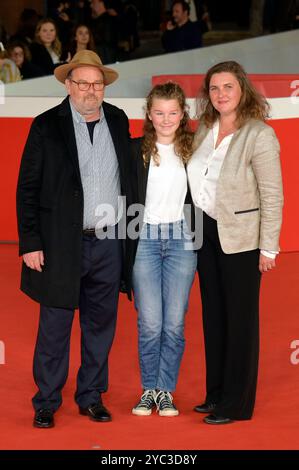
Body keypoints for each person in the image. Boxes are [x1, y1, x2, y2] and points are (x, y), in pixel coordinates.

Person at [16, 50, 131, 428]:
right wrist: (31, 242)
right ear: (68, 85)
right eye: (82, 83)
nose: (90, 90)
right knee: (55, 325)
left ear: (104, 86)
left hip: (109, 242)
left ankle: (91, 396)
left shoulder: (117, 120)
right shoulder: (46, 125)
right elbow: (27, 188)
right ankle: (46, 400)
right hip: (61, 244)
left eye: (96, 83)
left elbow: (129, 181)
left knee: (101, 325)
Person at [187, 61, 284, 424]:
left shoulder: (258, 134)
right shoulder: (203, 129)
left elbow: (273, 194)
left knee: (240, 320)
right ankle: (216, 394)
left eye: (227, 87)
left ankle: (236, 405)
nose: (220, 94)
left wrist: (268, 247)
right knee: (213, 317)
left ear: (241, 89)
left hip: (242, 239)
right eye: (214, 88)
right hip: (205, 234)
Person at [128, 82, 197, 417]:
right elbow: (124, 197)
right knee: (151, 322)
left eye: (172, 112)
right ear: (149, 114)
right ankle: (148, 389)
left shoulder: (194, 148)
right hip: (144, 240)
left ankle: (166, 390)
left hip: (183, 239)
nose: (166, 118)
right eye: (159, 112)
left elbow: (203, 198)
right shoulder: (135, 150)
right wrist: (127, 242)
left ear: (182, 114)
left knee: (174, 323)